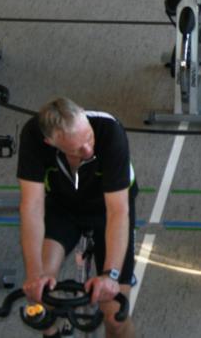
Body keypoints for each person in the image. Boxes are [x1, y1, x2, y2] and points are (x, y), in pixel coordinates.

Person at [17, 98, 137, 338]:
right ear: (50, 142)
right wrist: (35, 275)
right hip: (63, 208)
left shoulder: (110, 131)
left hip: (106, 210)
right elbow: (32, 207)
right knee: (41, 297)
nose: (88, 151)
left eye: (89, 138)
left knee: (115, 315)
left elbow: (118, 211)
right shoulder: (33, 136)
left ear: (83, 114)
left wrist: (111, 275)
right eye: (76, 149)